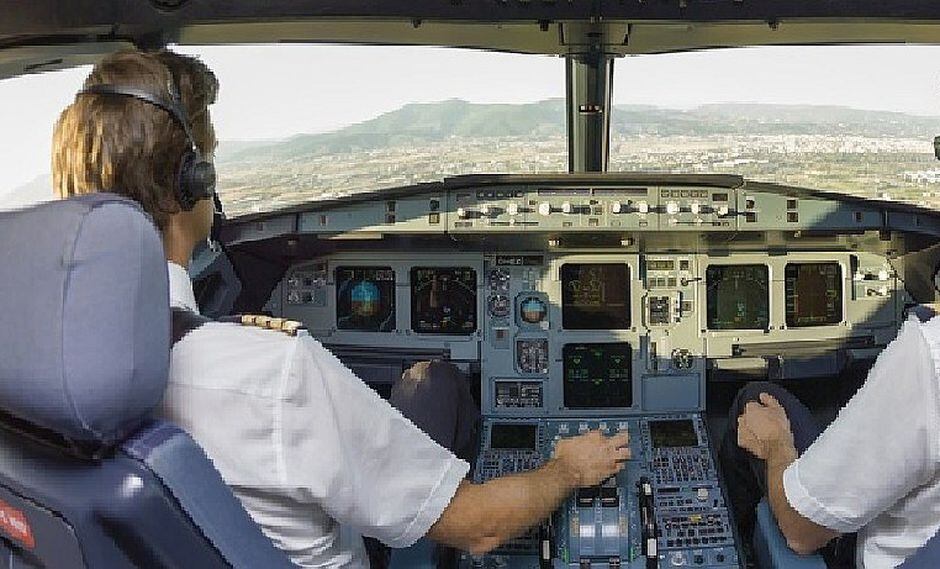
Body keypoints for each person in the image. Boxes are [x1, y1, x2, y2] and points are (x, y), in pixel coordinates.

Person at [51, 49, 632, 568]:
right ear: (190, 183)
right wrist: (567, 469)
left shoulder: (40, 369)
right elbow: (480, 528)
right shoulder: (269, 373)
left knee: (432, 383)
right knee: (438, 391)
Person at [721, 314, 940, 568]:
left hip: (864, 555)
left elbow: (800, 531)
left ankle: (735, 550)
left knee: (756, 400)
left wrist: (776, 446)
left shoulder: (928, 354)